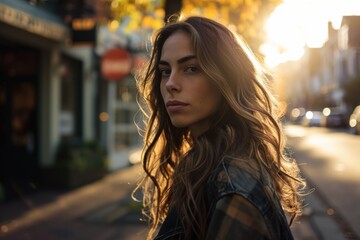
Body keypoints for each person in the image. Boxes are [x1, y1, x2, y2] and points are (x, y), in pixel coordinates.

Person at [135, 15, 306, 240]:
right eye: (166, 71)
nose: (170, 84)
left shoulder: (233, 186)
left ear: (227, 78)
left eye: (191, 68)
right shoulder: (202, 165)